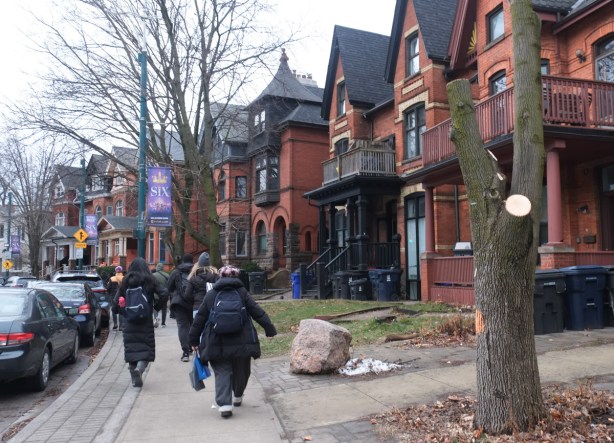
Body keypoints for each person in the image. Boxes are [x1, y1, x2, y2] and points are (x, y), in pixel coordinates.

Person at [189, 265, 277, 418]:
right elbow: (257, 312)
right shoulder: (242, 292)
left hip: (216, 340)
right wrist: (269, 329)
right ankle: (238, 395)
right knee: (241, 370)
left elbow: (199, 319)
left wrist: (194, 340)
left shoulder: (212, 294)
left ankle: (224, 405)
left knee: (222, 371)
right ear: (237, 277)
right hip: (242, 340)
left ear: (220, 277)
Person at [115, 257, 168, 388]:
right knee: (145, 348)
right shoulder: (149, 280)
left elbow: (115, 303)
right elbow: (164, 293)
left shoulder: (125, 281)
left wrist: (124, 312)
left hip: (129, 321)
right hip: (145, 320)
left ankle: (134, 375)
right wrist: (156, 308)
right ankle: (140, 368)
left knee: (132, 349)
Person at [168, 254, 195, 362]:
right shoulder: (197, 271)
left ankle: (185, 352)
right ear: (193, 261)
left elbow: (169, 286)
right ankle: (193, 347)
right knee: (194, 325)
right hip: (194, 302)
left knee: (182, 327)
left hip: (179, 303)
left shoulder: (176, 272)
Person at [184, 252, 219, 317]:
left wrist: (195, 298)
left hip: (198, 307)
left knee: (197, 326)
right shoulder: (216, 276)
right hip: (212, 308)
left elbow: (187, 295)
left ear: (199, 263)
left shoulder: (193, 278)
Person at [152, 263, 170, 327]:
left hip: (156, 295)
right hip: (164, 295)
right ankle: (163, 323)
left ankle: (156, 320)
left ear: (157, 267)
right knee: (164, 308)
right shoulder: (167, 275)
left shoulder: (153, 275)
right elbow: (169, 285)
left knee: (155, 308)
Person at [107, 266, 124, 330]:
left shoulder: (112, 278)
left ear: (115, 271)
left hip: (113, 296)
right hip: (122, 297)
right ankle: (121, 326)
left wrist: (109, 293)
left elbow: (108, 288)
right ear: (121, 271)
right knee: (121, 310)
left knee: (114, 309)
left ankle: (115, 324)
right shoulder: (124, 278)